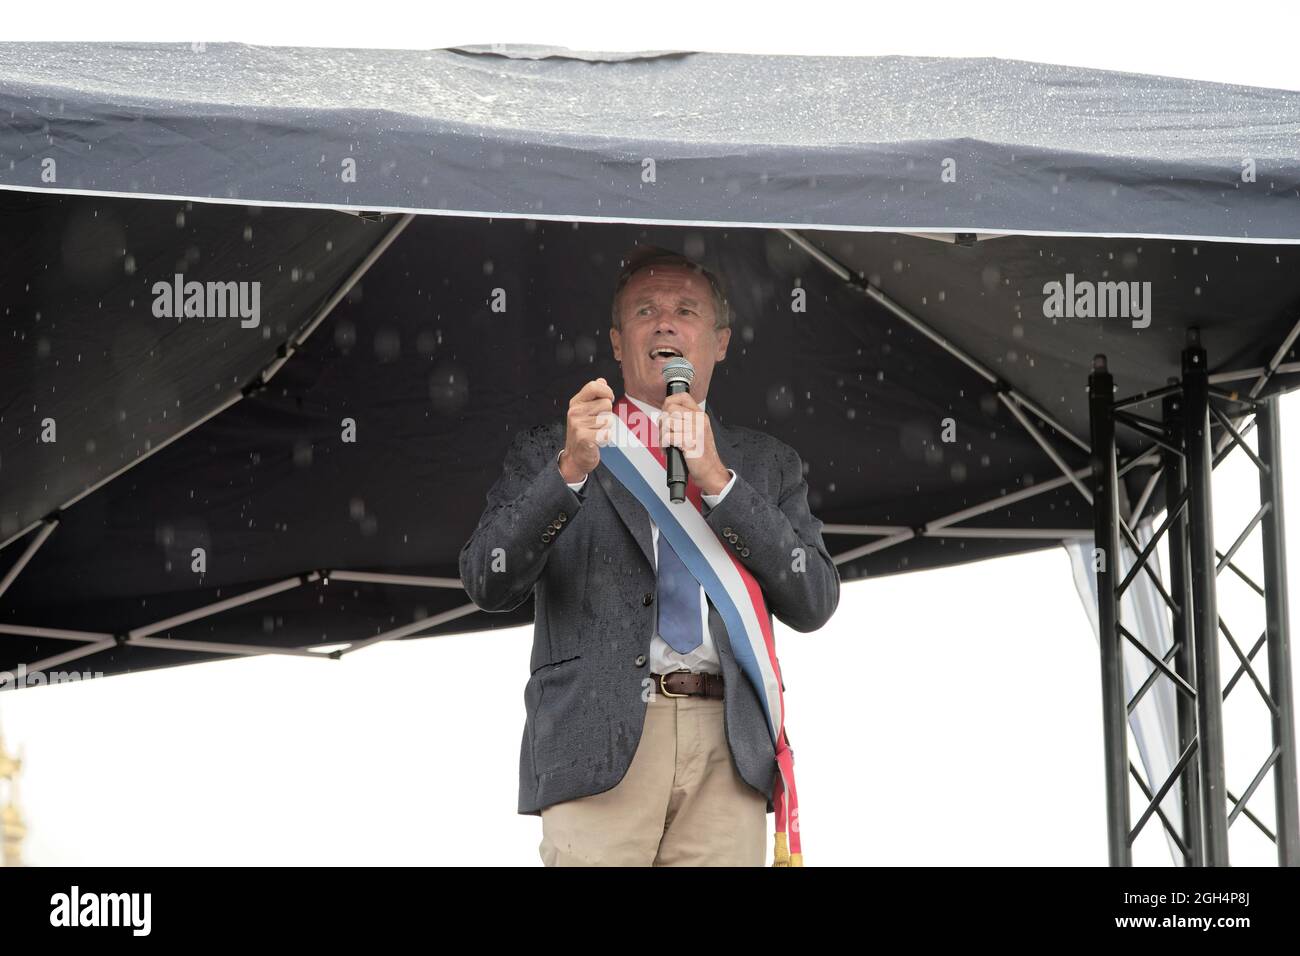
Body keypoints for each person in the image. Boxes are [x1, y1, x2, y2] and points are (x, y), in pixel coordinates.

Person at [458, 245, 840, 865]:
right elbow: (486, 579)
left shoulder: (767, 464)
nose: (665, 322)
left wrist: (717, 480)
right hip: (596, 740)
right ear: (617, 341)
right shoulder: (554, 448)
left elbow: (814, 599)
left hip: (730, 747)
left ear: (718, 342)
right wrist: (570, 473)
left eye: (685, 310)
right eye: (645, 311)